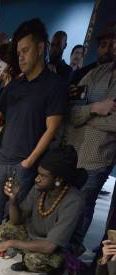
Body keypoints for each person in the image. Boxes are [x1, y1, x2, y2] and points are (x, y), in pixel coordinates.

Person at [0, 18, 68, 250]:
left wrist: (29, 161)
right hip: (4, 155)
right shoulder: (16, 85)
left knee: (16, 208)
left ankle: (13, 245)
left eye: (25, 51)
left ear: (40, 49)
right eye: (18, 52)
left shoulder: (54, 85)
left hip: (25, 160)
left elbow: (52, 129)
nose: (21, 57)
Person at [0, 146, 85, 273]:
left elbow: (50, 246)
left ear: (58, 179)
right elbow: (16, 221)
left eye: (43, 176)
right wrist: (13, 200)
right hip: (36, 237)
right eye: (38, 174)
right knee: (5, 229)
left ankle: (57, 273)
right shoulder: (40, 189)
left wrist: (12, 243)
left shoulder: (74, 201)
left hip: (57, 248)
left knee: (34, 260)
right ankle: (25, 258)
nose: (37, 179)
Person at [65, 35, 116, 243]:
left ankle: (72, 261)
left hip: (97, 159)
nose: (110, 49)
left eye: (114, 44)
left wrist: (86, 117)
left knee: (82, 208)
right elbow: (72, 113)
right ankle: (56, 255)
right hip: (74, 153)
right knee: (66, 207)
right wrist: (95, 108)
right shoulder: (95, 73)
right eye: (105, 44)